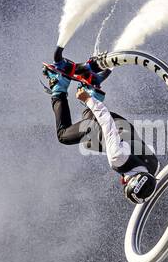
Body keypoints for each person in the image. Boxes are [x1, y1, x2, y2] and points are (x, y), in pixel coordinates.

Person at [44, 50, 159, 203]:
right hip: (105, 126)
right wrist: (88, 100)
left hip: (122, 126)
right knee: (64, 135)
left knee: (89, 142)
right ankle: (60, 85)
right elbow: (106, 121)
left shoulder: (153, 168)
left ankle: (92, 88)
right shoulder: (118, 158)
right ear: (127, 182)